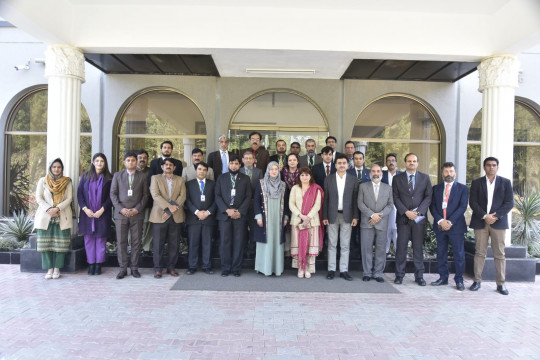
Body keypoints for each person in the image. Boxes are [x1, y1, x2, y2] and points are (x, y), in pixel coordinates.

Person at [469, 157, 514, 295]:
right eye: (488, 165)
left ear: (497, 167)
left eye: (494, 165)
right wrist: (485, 216)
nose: (491, 167)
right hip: (481, 221)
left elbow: (509, 203)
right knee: (479, 253)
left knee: (500, 254)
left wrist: (495, 216)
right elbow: (473, 202)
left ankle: (501, 284)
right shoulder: (477, 183)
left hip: (498, 223)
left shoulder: (505, 183)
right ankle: (477, 281)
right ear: (484, 167)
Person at [392, 153, 433, 285]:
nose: (411, 163)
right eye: (409, 161)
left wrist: (419, 212)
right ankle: (399, 275)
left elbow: (428, 197)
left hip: (418, 219)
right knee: (401, 247)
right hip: (403, 218)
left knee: (418, 248)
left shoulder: (425, 178)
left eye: (414, 161)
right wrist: (405, 212)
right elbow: (395, 197)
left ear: (417, 163)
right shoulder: (397, 178)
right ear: (405, 163)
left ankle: (419, 276)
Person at [429, 162, 468, 291]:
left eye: (451, 171)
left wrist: (450, 221)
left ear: (455, 173)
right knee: (441, 253)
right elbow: (432, 206)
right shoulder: (436, 188)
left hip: (456, 226)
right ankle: (443, 278)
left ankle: (459, 280)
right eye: (446, 171)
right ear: (442, 173)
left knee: (459, 254)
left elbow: (462, 207)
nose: (449, 174)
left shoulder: (462, 188)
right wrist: (441, 221)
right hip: (440, 226)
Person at [110, 152, 149, 279]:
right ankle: (122, 269)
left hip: (136, 214)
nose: (131, 162)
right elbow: (113, 194)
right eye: (128, 160)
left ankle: (134, 268)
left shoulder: (142, 176)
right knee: (121, 242)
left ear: (136, 162)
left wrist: (137, 209)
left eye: (133, 160)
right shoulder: (117, 175)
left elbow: (145, 196)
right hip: (121, 214)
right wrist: (121, 209)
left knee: (136, 242)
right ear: (124, 162)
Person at [34, 158, 73, 279]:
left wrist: (57, 209)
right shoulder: (43, 181)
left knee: (60, 246)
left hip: (62, 215)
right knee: (45, 246)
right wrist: (49, 209)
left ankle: (57, 269)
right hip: (46, 216)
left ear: (62, 169)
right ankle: (49, 269)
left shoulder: (67, 182)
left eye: (59, 167)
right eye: (54, 167)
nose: (56, 169)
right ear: (50, 168)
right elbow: (39, 197)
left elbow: (69, 198)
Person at [323, 154, 359, 281]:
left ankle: (344, 270)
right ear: (335, 165)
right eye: (339, 163)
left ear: (348, 165)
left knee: (345, 245)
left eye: (344, 163)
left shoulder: (353, 180)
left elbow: (355, 200)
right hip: (332, 215)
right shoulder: (329, 179)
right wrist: (325, 216)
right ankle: (331, 269)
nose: (342, 165)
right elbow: (325, 199)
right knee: (332, 244)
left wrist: (355, 216)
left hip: (347, 216)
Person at [215, 155, 252, 277]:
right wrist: (227, 210)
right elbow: (217, 196)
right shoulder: (221, 178)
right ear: (228, 165)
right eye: (231, 163)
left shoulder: (245, 178)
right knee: (225, 242)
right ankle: (225, 268)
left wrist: (239, 211)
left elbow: (248, 196)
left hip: (239, 216)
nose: (234, 166)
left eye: (236, 163)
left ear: (240, 165)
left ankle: (236, 268)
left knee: (238, 242)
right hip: (225, 216)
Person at [149, 158, 186, 278]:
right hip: (159, 215)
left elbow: (182, 196)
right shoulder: (155, 178)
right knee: (158, 243)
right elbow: (155, 195)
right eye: (166, 165)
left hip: (175, 215)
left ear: (174, 167)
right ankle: (158, 268)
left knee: (174, 243)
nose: (168, 166)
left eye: (171, 165)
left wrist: (172, 209)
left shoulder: (180, 179)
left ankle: (171, 267)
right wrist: (168, 207)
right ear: (162, 167)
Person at [78, 153, 113, 276]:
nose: (99, 163)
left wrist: (102, 210)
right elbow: (80, 194)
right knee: (88, 240)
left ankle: (98, 265)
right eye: (97, 160)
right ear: (93, 162)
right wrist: (85, 209)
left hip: (102, 214)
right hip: (87, 214)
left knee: (100, 240)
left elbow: (111, 197)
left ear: (105, 163)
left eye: (102, 161)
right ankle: (91, 264)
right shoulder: (85, 176)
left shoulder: (109, 178)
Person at [357, 164, 394, 282]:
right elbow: (360, 203)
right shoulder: (363, 187)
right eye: (373, 171)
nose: (376, 173)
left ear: (382, 174)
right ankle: (367, 273)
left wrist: (378, 216)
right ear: (370, 174)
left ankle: (378, 273)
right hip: (367, 222)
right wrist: (372, 215)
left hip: (382, 223)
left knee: (381, 249)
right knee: (366, 248)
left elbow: (390, 205)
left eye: (378, 171)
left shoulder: (388, 188)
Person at [253, 162, 288, 276]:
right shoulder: (261, 183)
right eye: (271, 169)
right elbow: (256, 202)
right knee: (266, 242)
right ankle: (264, 268)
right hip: (265, 218)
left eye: (276, 169)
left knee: (277, 242)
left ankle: (276, 268)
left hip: (278, 217)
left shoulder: (283, 185)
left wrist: (286, 217)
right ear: (267, 170)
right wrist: (258, 217)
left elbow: (286, 203)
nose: (273, 171)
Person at [289, 167, 324, 278]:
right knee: (298, 245)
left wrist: (308, 217)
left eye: (307, 175)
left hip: (312, 222)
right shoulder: (295, 188)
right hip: (297, 221)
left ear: (310, 176)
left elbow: (317, 205)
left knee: (310, 246)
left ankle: (308, 268)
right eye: (302, 175)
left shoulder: (316, 189)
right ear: (299, 177)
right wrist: (301, 215)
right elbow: (291, 204)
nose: (304, 177)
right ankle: (300, 268)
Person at [185, 162, 216, 275]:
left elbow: (215, 200)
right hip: (194, 218)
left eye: (204, 169)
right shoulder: (188, 184)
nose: (201, 171)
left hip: (208, 218)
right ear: (196, 171)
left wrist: (207, 212)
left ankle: (206, 266)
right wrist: (197, 212)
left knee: (207, 243)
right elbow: (187, 200)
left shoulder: (213, 184)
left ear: (207, 172)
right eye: (199, 169)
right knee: (193, 243)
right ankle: (192, 266)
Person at [239, 151, 263, 258]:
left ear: (254, 160)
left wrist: (254, 200)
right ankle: (243, 251)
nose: (248, 160)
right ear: (243, 160)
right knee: (242, 229)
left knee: (254, 229)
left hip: (254, 204)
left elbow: (261, 188)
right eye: (246, 158)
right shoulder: (238, 171)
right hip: (241, 206)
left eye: (250, 158)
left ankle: (252, 251)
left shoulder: (259, 172)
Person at [281, 153, 300, 256]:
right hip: (284, 202)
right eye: (290, 160)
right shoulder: (282, 173)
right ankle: (287, 248)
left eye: (294, 160)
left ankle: (296, 250)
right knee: (287, 226)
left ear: (297, 161)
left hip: (299, 203)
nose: (292, 162)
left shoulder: (302, 172)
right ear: (287, 162)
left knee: (297, 226)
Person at [382, 153, 401, 254]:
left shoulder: (402, 175)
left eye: (393, 160)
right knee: (387, 228)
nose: (391, 162)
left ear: (396, 163)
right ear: (386, 163)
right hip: (385, 206)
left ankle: (398, 250)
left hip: (398, 206)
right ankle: (386, 250)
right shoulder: (382, 174)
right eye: (389, 161)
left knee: (396, 228)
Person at [136, 149, 153, 254]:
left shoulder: (151, 171)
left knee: (147, 226)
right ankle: (134, 247)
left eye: (144, 158)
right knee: (134, 227)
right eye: (140, 158)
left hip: (148, 204)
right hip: (133, 205)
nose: (142, 160)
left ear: (147, 160)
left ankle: (146, 248)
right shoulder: (131, 171)